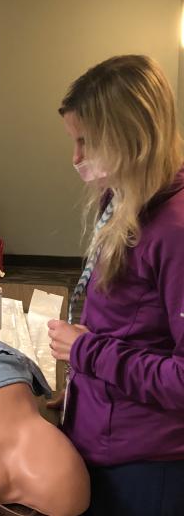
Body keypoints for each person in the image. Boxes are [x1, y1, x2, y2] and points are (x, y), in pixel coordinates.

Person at [47, 55, 184, 515]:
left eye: (87, 142)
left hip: (149, 457)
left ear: (133, 135)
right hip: (106, 423)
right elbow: (126, 319)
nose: (76, 158)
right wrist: (84, 386)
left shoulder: (175, 230)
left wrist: (87, 354)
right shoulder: (123, 196)